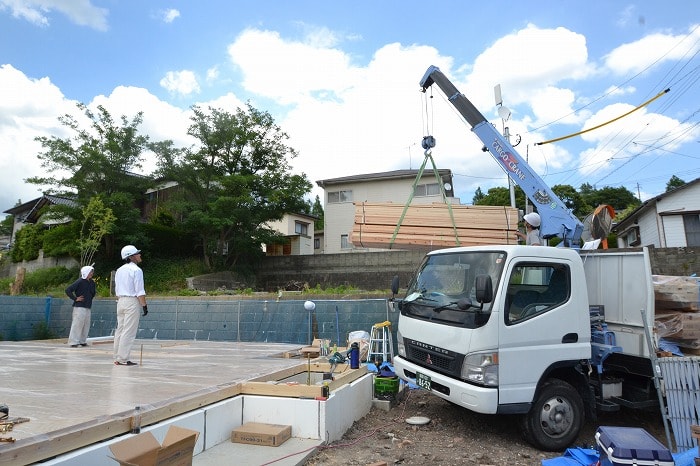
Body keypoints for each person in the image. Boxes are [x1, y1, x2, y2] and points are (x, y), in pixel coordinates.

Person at [113, 245, 148, 366]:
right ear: (131, 257)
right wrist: (144, 305)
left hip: (120, 301)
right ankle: (123, 358)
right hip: (131, 301)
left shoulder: (119, 270)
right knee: (129, 331)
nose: (139, 255)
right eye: (137, 254)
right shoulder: (136, 270)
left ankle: (117, 356)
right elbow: (140, 290)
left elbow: (117, 288)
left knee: (120, 330)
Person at [65, 265, 96, 347]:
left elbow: (93, 293)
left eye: (92, 272)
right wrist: (75, 298)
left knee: (86, 324)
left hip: (88, 306)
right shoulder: (80, 281)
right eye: (90, 272)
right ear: (86, 272)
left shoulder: (92, 282)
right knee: (77, 324)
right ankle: (73, 342)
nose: (92, 273)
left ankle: (82, 341)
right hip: (79, 306)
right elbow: (68, 290)